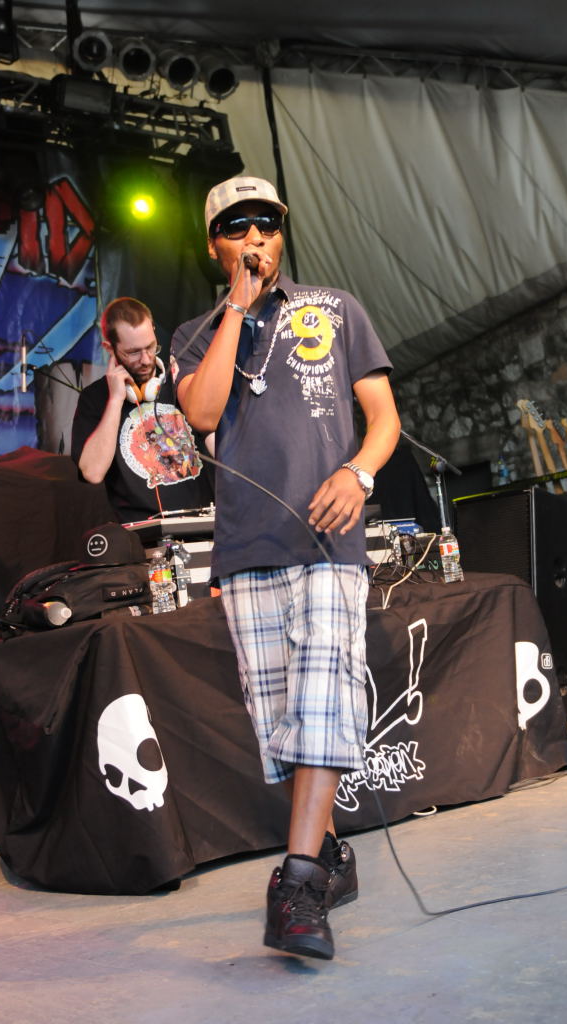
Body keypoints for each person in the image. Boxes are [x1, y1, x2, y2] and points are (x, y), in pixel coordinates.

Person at [172, 176, 400, 961]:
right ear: (214, 244)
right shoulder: (197, 334)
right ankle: (331, 853)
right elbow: (202, 414)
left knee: (324, 694)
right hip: (247, 546)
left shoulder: (336, 309)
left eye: (266, 224)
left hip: (330, 539)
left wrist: (359, 474)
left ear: (282, 231)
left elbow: (384, 418)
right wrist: (236, 308)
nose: (255, 239)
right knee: (284, 723)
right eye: (237, 227)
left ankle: (299, 882)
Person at [72, 297, 213, 523]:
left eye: (150, 347)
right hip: (140, 534)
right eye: (133, 352)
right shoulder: (95, 399)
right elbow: (93, 473)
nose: (146, 359)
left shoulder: (182, 381)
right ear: (110, 349)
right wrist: (116, 400)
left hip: (203, 523)